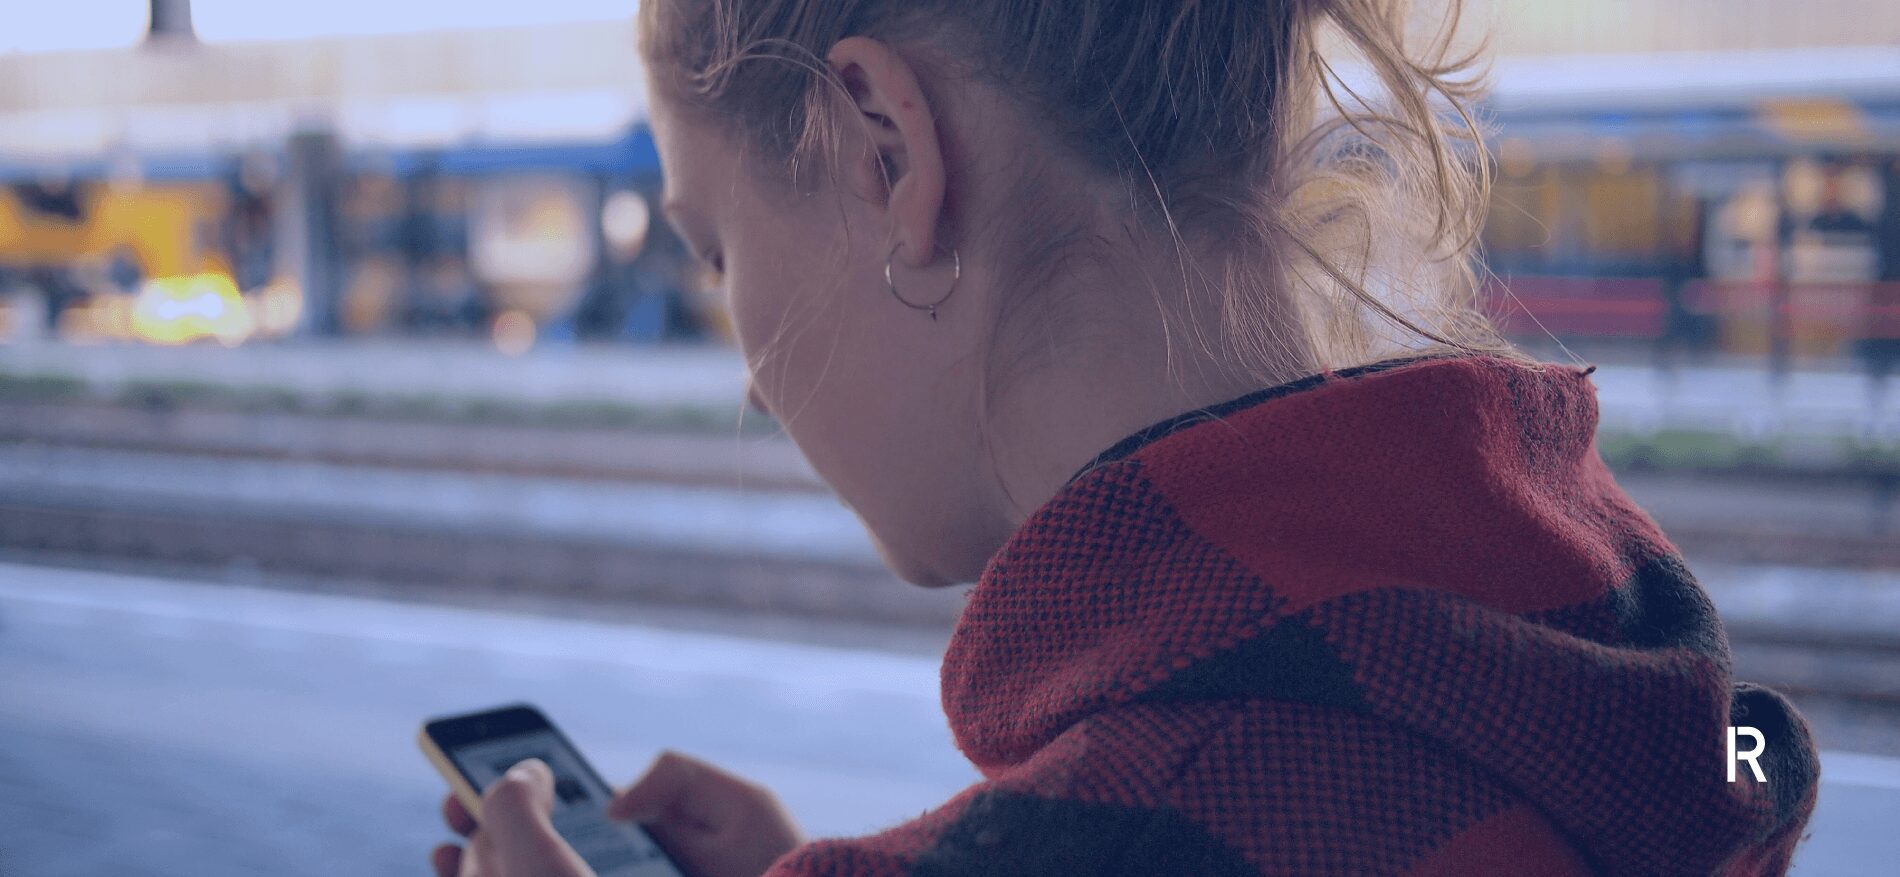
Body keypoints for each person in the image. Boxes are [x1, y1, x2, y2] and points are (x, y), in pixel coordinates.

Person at [431, 1, 1819, 875]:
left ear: (885, 152)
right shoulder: (1617, 679)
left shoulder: (1147, 807)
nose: (749, 373)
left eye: (719, 250)